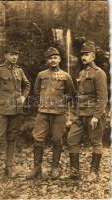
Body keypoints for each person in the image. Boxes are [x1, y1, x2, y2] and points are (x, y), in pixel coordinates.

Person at [26, 47, 75, 179]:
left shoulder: (66, 76)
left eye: (55, 58)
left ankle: (55, 167)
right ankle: (37, 168)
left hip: (59, 113)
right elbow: (35, 92)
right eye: (50, 58)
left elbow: (71, 94)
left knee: (57, 140)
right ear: (47, 60)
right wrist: (43, 102)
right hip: (43, 112)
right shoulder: (41, 75)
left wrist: (60, 102)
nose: (52, 60)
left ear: (59, 59)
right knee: (38, 139)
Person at [0, 43, 30, 186]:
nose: (15, 57)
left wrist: (23, 97)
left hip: (16, 110)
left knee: (12, 138)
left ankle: (9, 167)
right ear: (5, 55)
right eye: (12, 54)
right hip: (2, 111)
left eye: (16, 54)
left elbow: (27, 84)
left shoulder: (19, 70)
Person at [67, 42, 108, 181]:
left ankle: (94, 172)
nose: (83, 57)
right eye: (82, 54)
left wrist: (97, 116)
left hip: (93, 114)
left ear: (93, 56)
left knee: (96, 142)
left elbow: (103, 97)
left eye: (86, 54)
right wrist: (74, 113)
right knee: (72, 139)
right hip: (80, 114)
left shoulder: (99, 73)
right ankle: (75, 171)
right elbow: (79, 95)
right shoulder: (82, 73)